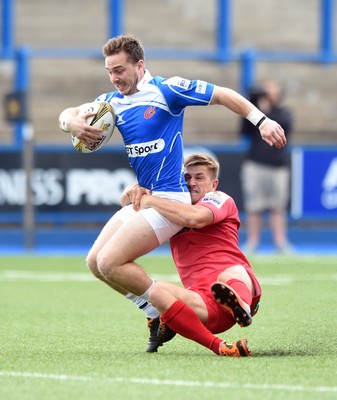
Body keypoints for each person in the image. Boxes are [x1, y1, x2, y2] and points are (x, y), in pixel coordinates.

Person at [58, 34, 285, 353]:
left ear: (140, 65)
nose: (115, 78)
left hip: (169, 199)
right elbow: (67, 113)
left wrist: (261, 121)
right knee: (95, 262)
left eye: (120, 70)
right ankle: (153, 311)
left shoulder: (167, 90)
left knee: (111, 262)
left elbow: (222, 95)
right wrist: (72, 123)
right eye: (110, 71)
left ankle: (166, 311)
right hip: (144, 198)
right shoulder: (111, 102)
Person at [123, 153, 261, 357]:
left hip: (238, 282)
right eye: (187, 178)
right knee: (156, 291)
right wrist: (137, 188)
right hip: (202, 303)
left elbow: (196, 218)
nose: (192, 183)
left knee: (230, 273)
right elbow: (125, 200)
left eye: (199, 177)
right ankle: (220, 346)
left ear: (214, 184)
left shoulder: (220, 198)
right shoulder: (173, 209)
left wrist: (150, 200)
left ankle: (242, 306)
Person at [240, 80, 293, 254]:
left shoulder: (284, 112)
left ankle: (280, 242)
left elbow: (284, 126)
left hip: (278, 166)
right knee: (254, 206)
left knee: (278, 207)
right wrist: (255, 106)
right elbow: (243, 130)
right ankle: (253, 242)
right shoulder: (254, 113)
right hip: (255, 164)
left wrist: (266, 110)